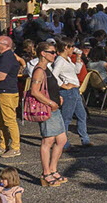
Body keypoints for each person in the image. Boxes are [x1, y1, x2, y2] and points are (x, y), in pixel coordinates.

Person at [30, 43, 68, 186]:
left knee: (61, 140)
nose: (54, 54)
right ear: (43, 53)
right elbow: (34, 91)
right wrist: (51, 102)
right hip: (48, 109)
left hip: (54, 108)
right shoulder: (39, 70)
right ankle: (46, 173)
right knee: (48, 141)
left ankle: (53, 169)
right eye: (51, 52)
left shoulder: (47, 68)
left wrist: (58, 97)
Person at [53, 39, 91, 150]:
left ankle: (85, 139)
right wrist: (63, 85)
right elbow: (54, 74)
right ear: (66, 47)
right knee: (66, 118)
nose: (73, 49)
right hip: (68, 91)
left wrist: (78, 58)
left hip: (75, 90)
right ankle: (64, 143)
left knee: (82, 115)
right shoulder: (60, 60)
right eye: (72, 47)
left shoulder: (67, 59)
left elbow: (76, 71)